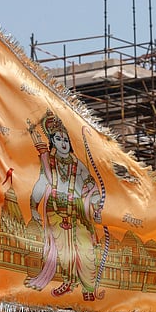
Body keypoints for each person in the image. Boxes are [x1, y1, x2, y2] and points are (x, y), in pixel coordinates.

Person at [25, 109, 103, 301]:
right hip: (56, 210)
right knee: (64, 250)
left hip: (77, 211)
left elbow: (91, 186)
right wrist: (34, 206)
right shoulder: (48, 162)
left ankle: (89, 288)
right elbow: (42, 183)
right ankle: (69, 282)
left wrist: (96, 206)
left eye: (66, 140)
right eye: (59, 139)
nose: (63, 143)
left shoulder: (78, 164)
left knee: (85, 249)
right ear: (52, 142)